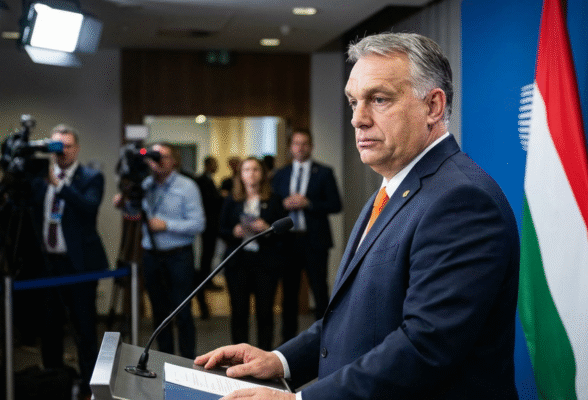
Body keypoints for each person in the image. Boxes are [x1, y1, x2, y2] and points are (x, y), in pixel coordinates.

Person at [195, 32, 520, 399]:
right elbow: (356, 316)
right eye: (353, 102)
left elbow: (424, 346)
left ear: (432, 106)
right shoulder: (393, 188)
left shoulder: (461, 200)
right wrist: (281, 361)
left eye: (379, 99)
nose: (358, 119)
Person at [32, 124, 109, 399]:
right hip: (48, 264)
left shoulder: (91, 177)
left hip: (80, 266)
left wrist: (61, 186)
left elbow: (89, 208)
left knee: (84, 329)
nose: (62, 151)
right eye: (56, 146)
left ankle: (89, 388)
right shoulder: (39, 178)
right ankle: (53, 384)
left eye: (67, 145)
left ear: (76, 148)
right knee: (49, 328)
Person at [272, 129, 342, 342]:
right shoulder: (280, 174)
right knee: (289, 294)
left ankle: (325, 339)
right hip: (288, 242)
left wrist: (309, 203)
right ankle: (287, 340)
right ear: (290, 147)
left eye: (304, 144)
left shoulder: (324, 172)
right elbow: (272, 206)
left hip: (315, 241)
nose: (300, 148)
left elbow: (336, 205)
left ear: (311, 147)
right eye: (296, 143)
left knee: (320, 291)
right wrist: (283, 204)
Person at [139, 142, 205, 358]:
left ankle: (187, 361)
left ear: (174, 161)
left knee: (183, 313)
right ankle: (164, 359)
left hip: (179, 256)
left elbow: (198, 224)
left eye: (164, 156)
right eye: (154, 156)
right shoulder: (145, 185)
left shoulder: (187, 186)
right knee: (159, 314)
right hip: (151, 256)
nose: (158, 161)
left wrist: (167, 225)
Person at [218, 157, 285, 350]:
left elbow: (283, 233)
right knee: (239, 313)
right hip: (238, 263)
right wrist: (234, 231)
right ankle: (239, 356)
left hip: (265, 263)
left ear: (263, 174)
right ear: (240, 175)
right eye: (246, 170)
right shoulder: (232, 199)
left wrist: (267, 228)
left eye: (256, 169)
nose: (251, 173)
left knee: (265, 313)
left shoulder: (274, 199)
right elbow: (220, 229)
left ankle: (264, 354)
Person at [195, 156, 224, 320]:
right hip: (207, 225)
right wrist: (221, 197)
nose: (216, 166)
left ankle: (207, 280)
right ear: (207, 165)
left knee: (209, 255)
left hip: (212, 225)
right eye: (214, 164)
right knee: (205, 256)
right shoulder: (201, 180)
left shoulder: (209, 180)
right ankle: (204, 282)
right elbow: (208, 200)